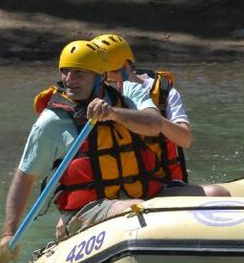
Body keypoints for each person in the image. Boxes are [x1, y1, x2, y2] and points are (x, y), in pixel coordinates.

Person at [0, 40, 169, 263]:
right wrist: (8, 234)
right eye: (65, 72)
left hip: (141, 194)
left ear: (99, 77)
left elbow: (155, 125)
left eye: (78, 73)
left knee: (216, 195)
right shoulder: (50, 122)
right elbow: (25, 177)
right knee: (137, 210)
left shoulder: (126, 95)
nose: (69, 79)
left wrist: (114, 114)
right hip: (87, 209)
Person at [91, 32, 229, 197]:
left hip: (162, 184)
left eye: (108, 74)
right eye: (98, 75)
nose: (104, 81)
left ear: (126, 66)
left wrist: (153, 120)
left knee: (218, 194)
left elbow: (185, 139)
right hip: (114, 189)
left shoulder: (163, 93)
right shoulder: (96, 95)